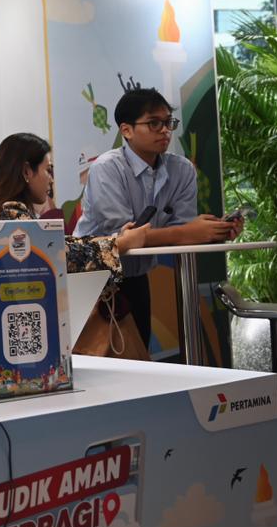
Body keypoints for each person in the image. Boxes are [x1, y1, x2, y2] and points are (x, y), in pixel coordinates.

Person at [75, 87, 239, 347]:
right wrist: (188, 232)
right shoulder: (107, 168)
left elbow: (182, 232)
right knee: (98, 359)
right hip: (93, 279)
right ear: (126, 130)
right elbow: (124, 238)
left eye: (168, 122)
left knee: (140, 355)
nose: (165, 130)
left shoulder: (182, 169)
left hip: (137, 278)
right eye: (154, 123)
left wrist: (215, 231)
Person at [0, 133, 149, 319]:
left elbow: (56, 246)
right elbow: (56, 255)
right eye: (48, 170)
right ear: (26, 171)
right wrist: (120, 244)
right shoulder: (9, 213)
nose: (51, 179)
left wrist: (115, 239)